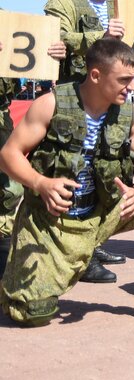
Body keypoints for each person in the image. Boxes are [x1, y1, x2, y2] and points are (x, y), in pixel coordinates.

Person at [0, 40, 134, 326]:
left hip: (102, 213)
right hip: (51, 222)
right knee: (30, 313)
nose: (131, 87)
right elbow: (9, 154)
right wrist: (41, 183)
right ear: (95, 75)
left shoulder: (129, 114)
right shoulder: (52, 104)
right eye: (124, 80)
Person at [45, 0, 134, 279]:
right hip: (79, 99)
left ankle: (93, 243)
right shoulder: (63, 4)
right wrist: (103, 35)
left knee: (106, 167)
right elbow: (53, 37)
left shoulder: (124, 4)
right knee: (77, 170)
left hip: (113, 100)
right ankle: (78, 248)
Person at [0, 28, 67, 277]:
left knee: (11, 189)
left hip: (1, 115)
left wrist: (55, 53)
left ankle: (4, 254)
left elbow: (25, 59)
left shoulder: (7, 20)